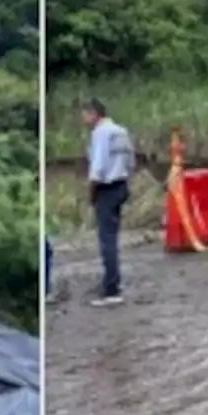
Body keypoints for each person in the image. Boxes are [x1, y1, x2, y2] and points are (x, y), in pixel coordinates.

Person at [82, 98, 134, 306]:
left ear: (94, 114)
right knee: (112, 237)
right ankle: (112, 281)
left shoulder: (100, 134)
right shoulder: (121, 131)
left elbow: (98, 168)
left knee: (107, 240)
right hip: (122, 185)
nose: (83, 119)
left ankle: (111, 289)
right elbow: (131, 162)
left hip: (107, 188)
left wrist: (91, 194)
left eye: (85, 114)